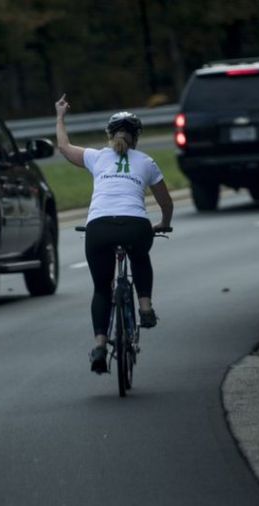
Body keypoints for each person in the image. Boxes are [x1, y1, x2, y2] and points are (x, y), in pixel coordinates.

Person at [54, 94, 173, 374]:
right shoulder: (146, 161)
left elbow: (63, 146)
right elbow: (165, 202)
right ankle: (145, 307)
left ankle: (99, 345)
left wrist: (60, 116)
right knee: (140, 255)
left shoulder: (97, 157)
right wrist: (164, 222)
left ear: (109, 135)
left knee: (101, 288)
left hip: (99, 227)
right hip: (135, 225)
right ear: (137, 137)